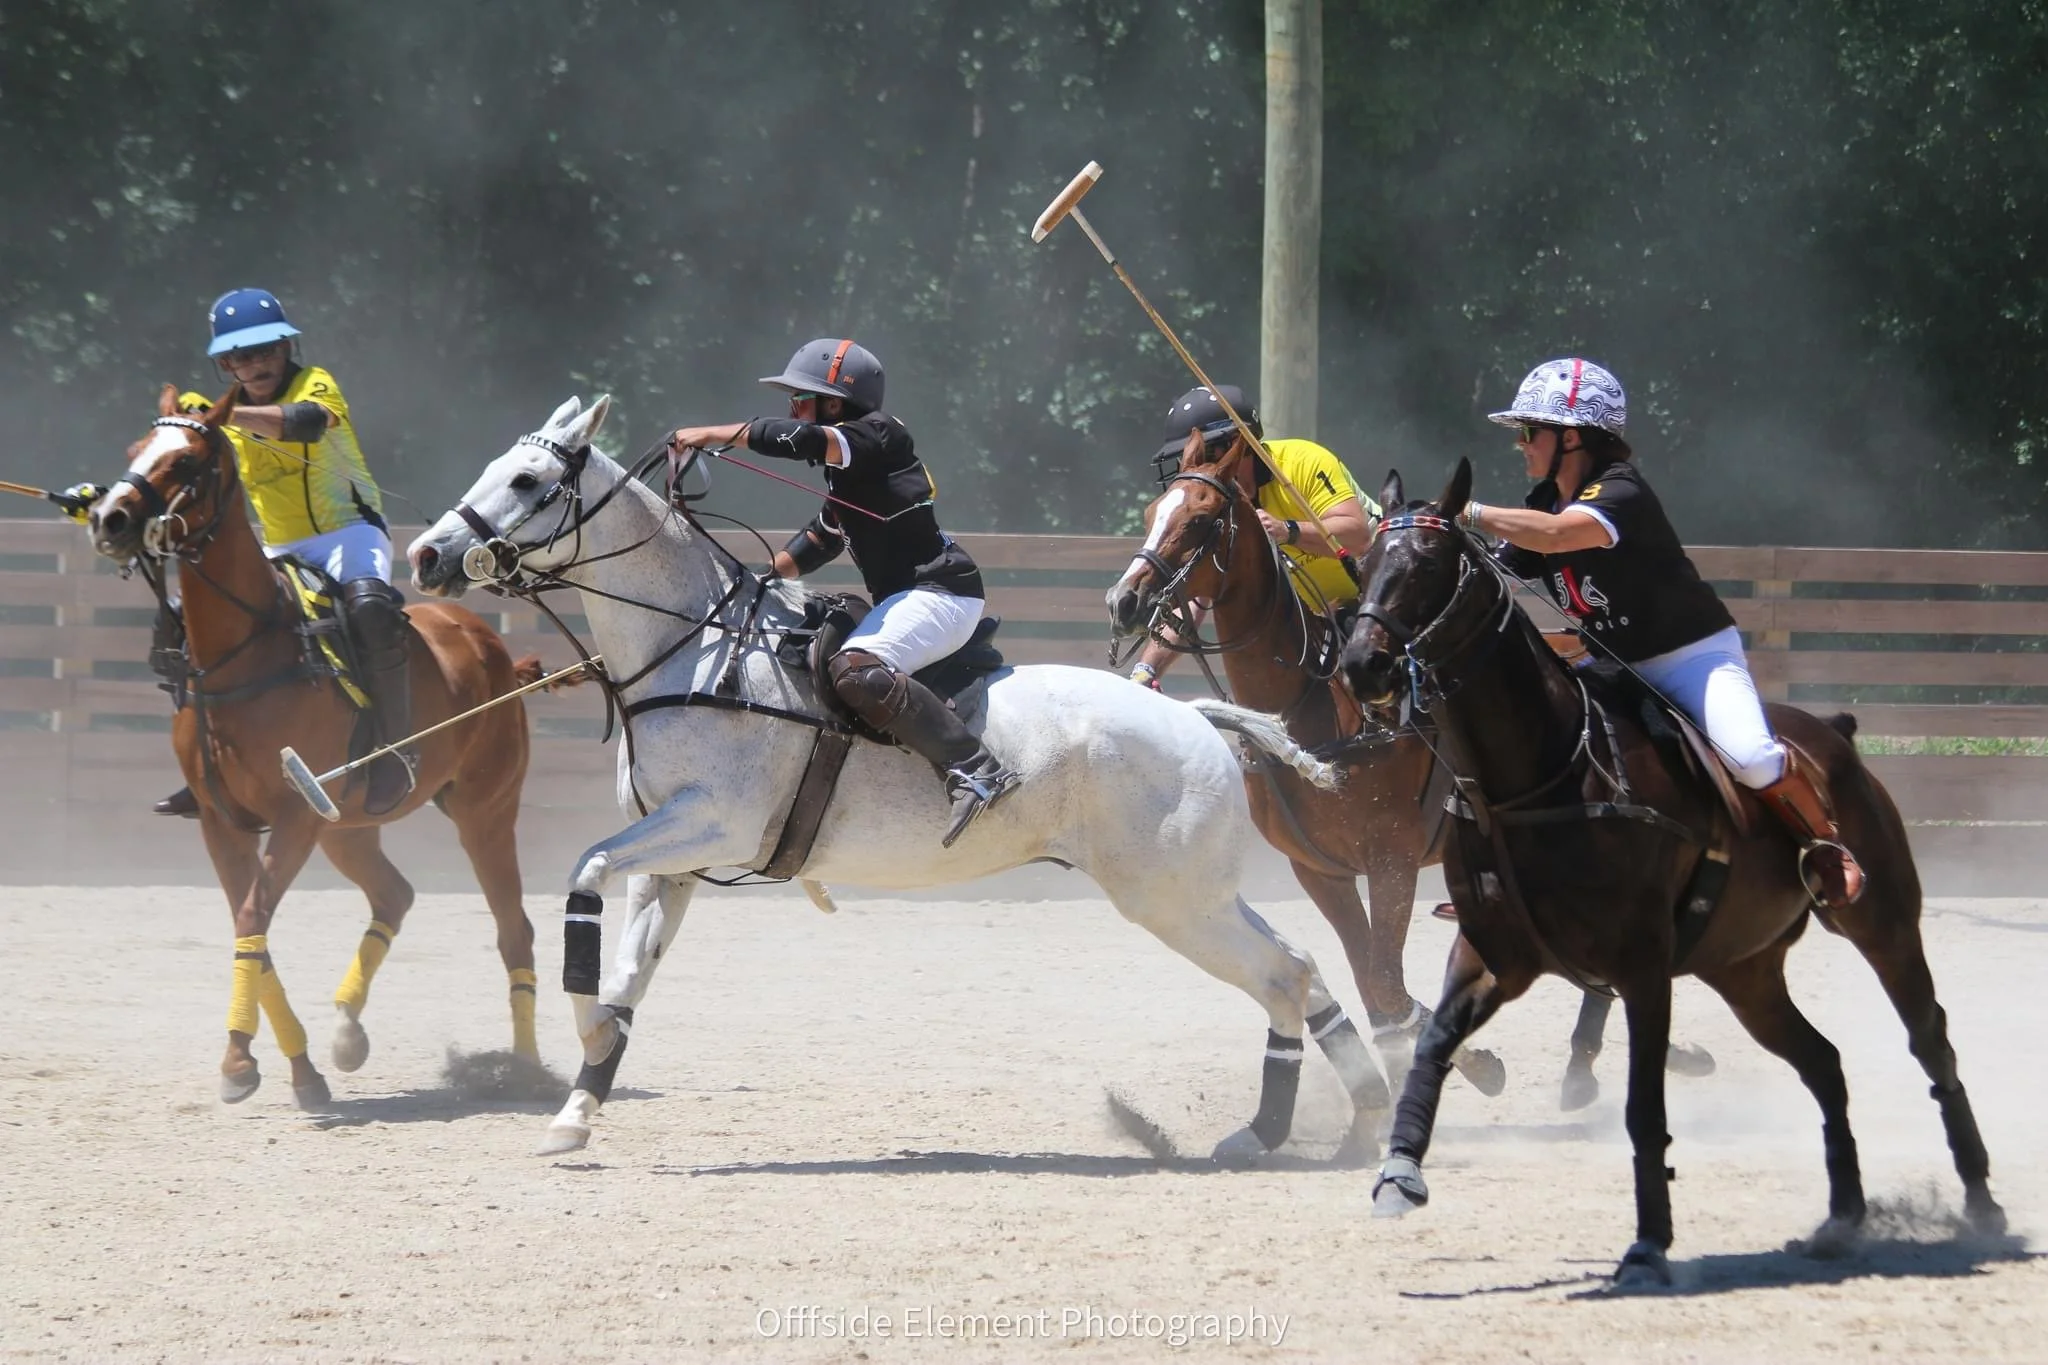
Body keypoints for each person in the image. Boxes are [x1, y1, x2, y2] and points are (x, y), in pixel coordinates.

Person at [1458, 357, 1864, 907]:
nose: (1520, 443)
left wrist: (1467, 510)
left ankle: (1825, 845)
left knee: (1750, 757)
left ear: (1571, 437)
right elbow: (1491, 569)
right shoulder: (1543, 503)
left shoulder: (1620, 491)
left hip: (1690, 658)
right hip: (1611, 664)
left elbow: (1555, 537)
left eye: (1530, 431)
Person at [668, 337, 1020, 848]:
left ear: (834, 405)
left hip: (944, 592)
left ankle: (976, 769)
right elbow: (819, 540)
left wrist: (708, 434)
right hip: (914, 598)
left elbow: (802, 440)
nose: (793, 409)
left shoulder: (879, 434)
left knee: (856, 668)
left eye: (800, 399)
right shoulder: (851, 479)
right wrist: (757, 580)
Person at [153, 288, 413, 817]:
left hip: (349, 534)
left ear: (286, 347)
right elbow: (168, 460)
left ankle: (396, 752)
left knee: (370, 612)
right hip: (278, 546)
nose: (255, 363)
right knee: (179, 622)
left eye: (265, 350)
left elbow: (307, 422)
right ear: (226, 364)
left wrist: (225, 416)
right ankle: (206, 764)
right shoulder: (213, 412)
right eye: (240, 356)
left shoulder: (314, 382)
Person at [1126, 385, 1377, 689]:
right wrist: (1146, 670)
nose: (1188, 467)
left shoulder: (1303, 461)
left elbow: (1358, 537)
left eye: (1201, 453)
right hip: (1311, 623)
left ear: (1237, 445)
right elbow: (1192, 599)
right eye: (1183, 458)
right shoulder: (1220, 514)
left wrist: (1287, 531)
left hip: (1375, 599)